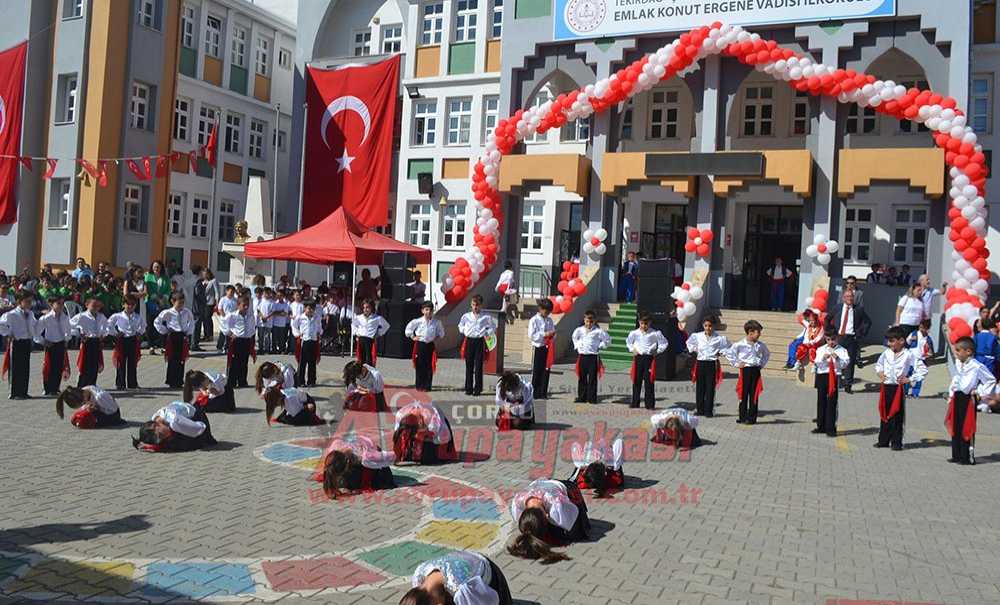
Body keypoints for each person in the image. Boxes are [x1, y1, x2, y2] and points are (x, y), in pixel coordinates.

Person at [506, 478, 590, 562]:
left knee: (572, 534)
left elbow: (573, 513)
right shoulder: (518, 503)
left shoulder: (555, 503)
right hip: (543, 484)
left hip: (565, 486)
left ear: (546, 516)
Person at [874, 326, 928, 450]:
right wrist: (880, 373)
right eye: (888, 341)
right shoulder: (886, 353)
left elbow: (922, 369)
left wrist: (910, 379)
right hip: (886, 386)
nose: (889, 344)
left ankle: (896, 442)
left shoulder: (908, 354)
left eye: (892, 341)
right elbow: (879, 365)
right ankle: (883, 440)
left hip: (898, 388)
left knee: (897, 415)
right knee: (884, 413)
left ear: (902, 341)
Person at [400, 551, 512, 605]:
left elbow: (491, 601)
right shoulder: (419, 575)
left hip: (489, 579)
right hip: (466, 558)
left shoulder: (463, 590)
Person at [948, 337, 995, 464]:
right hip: (957, 397)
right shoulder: (959, 364)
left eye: (958, 350)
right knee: (956, 425)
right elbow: (956, 379)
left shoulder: (977, 366)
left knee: (967, 426)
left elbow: (990, 380)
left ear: (968, 351)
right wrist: (951, 393)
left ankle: (967, 456)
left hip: (968, 398)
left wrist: (980, 393)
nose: (956, 353)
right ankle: (956, 455)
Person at [313, 434, 395, 499]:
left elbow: (390, 457)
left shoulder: (365, 457)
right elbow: (330, 468)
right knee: (346, 483)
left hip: (375, 458)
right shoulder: (334, 449)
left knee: (353, 483)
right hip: (357, 457)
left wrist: (364, 486)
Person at [726, 320, 770, 425]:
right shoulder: (740, 344)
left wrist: (761, 364)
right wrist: (737, 364)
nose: (759, 334)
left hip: (755, 370)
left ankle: (752, 418)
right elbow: (729, 353)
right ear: (750, 332)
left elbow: (767, 354)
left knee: (754, 394)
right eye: (757, 332)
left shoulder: (760, 345)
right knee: (743, 393)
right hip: (745, 370)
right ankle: (742, 416)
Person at [827, 289, 871, 393]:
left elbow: (868, 322)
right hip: (839, 337)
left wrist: (860, 334)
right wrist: (831, 332)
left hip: (851, 339)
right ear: (843, 298)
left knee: (850, 362)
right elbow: (827, 319)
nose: (850, 299)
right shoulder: (838, 308)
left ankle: (848, 385)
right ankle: (835, 382)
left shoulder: (858, 309)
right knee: (835, 359)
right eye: (847, 297)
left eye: (851, 296)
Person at [686, 316, 730, 418]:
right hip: (700, 363)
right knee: (700, 387)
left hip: (711, 363)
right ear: (703, 326)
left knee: (710, 387)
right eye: (706, 326)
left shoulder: (719, 338)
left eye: (710, 326)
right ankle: (700, 409)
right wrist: (694, 349)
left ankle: (708, 410)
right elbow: (689, 343)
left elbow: (728, 348)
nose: (708, 328)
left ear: (714, 326)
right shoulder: (697, 336)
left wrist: (721, 352)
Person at [133, 401, 218, 452]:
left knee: (180, 445)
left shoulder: (175, 422)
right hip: (183, 415)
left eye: (161, 435)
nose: (163, 437)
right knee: (168, 443)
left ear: (155, 425)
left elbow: (201, 428)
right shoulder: (155, 418)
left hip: (199, 419)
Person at [393, 400, 457, 464]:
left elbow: (442, 439)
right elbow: (397, 438)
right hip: (417, 426)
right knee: (406, 439)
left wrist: (425, 436)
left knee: (428, 457)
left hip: (435, 431)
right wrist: (397, 456)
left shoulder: (433, 419)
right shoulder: (400, 415)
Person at [813, 329, 851, 438]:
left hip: (834, 376)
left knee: (832, 401)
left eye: (833, 339)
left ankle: (831, 428)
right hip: (822, 375)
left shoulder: (842, 350)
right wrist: (823, 359)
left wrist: (837, 358)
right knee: (821, 401)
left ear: (837, 338)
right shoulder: (821, 349)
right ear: (825, 339)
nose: (831, 342)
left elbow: (845, 364)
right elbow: (817, 363)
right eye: (828, 340)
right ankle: (821, 426)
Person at [626, 313, 668, 409]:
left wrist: (657, 351)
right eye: (642, 323)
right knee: (637, 381)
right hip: (638, 358)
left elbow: (664, 343)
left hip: (649, 359)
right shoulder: (634, 333)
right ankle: (635, 403)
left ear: (650, 323)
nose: (644, 326)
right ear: (639, 322)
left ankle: (649, 404)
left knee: (649, 382)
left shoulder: (655, 333)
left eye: (646, 324)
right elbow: (628, 342)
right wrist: (633, 349)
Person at [154, 293, 196, 388]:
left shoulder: (186, 312)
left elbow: (192, 322)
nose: (181, 305)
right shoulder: (168, 312)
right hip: (172, 336)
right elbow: (157, 322)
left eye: (182, 303)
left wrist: (188, 332)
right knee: (172, 359)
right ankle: (171, 381)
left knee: (181, 359)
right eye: (179, 303)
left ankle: (179, 380)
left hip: (182, 336)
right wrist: (165, 330)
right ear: (173, 302)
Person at [0, 291, 37, 399]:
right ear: (19, 302)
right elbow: (1, 325)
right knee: (16, 367)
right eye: (27, 301)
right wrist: (8, 334)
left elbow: (34, 325)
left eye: (31, 301)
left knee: (25, 367)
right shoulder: (11, 314)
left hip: (26, 341)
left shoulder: (30, 313)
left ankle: (23, 391)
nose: (30, 304)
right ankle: (14, 392)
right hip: (17, 342)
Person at [458, 295, 496, 397]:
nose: (475, 307)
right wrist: (464, 331)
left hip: (479, 341)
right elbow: (460, 326)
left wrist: (487, 332)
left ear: (481, 305)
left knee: (478, 366)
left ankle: (478, 389)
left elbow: (493, 327)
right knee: (469, 365)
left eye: (477, 305)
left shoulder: (486, 317)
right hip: (469, 341)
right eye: (473, 305)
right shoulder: (466, 316)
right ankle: (468, 388)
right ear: (471, 305)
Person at [571, 310, 611, 404]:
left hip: (593, 357)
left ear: (595, 321)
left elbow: (608, 340)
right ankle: (582, 397)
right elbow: (574, 337)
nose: (589, 323)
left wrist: (600, 346)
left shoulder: (598, 331)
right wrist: (578, 346)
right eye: (587, 321)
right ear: (584, 320)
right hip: (583, 356)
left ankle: (592, 398)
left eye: (591, 321)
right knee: (582, 377)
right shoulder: (579, 330)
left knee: (592, 378)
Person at [34, 296, 72, 396]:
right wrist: (43, 341)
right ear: (52, 305)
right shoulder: (46, 318)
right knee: (49, 367)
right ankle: (47, 388)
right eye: (58, 303)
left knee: (59, 366)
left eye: (62, 304)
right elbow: (36, 332)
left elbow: (68, 330)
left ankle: (55, 387)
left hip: (60, 343)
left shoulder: (64, 317)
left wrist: (67, 339)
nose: (61, 306)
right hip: (50, 344)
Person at [405, 301, 445, 391]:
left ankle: (427, 386)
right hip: (420, 344)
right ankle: (419, 385)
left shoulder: (437, 322)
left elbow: (441, 333)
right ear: (422, 311)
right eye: (426, 310)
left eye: (430, 310)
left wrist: (436, 338)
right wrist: (413, 337)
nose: (428, 312)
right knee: (420, 365)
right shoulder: (418, 321)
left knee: (429, 365)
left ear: (433, 311)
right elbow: (408, 329)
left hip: (430, 345)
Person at [70, 297, 108, 388]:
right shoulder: (82, 316)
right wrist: (79, 334)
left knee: (94, 364)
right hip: (87, 341)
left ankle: (92, 384)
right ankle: (81, 384)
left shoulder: (101, 316)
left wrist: (103, 334)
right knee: (84, 364)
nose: (96, 308)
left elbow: (107, 326)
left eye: (98, 306)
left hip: (96, 341)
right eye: (93, 305)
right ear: (87, 305)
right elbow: (70, 325)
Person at [220, 295, 256, 388]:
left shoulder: (250, 316)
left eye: (247, 305)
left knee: (244, 362)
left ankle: (242, 381)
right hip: (236, 341)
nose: (246, 307)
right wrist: (230, 333)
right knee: (234, 362)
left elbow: (252, 328)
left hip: (246, 340)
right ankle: (231, 381)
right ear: (238, 305)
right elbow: (223, 325)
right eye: (244, 305)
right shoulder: (232, 315)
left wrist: (250, 337)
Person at [109, 295, 144, 390]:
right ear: (123, 304)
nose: (130, 306)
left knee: (132, 363)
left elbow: (143, 325)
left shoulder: (137, 317)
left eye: (132, 304)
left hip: (133, 339)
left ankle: (132, 383)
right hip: (122, 340)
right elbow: (109, 325)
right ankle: (120, 384)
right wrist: (115, 333)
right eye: (128, 304)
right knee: (121, 362)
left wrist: (139, 333)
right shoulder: (117, 316)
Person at [56, 385, 124, 428]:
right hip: (97, 411)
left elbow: (113, 410)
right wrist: (87, 408)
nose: (84, 403)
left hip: (112, 415)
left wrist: (97, 408)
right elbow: (83, 408)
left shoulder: (100, 397)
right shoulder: (84, 391)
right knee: (74, 418)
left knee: (84, 420)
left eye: (83, 402)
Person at [528, 298, 556, 400]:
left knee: (546, 370)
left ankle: (543, 392)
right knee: (537, 370)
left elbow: (553, 331)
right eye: (546, 311)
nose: (547, 313)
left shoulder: (549, 320)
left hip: (547, 347)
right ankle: (535, 393)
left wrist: (552, 334)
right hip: (538, 347)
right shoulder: (534, 320)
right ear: (540, 308)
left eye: (549, 312)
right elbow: (532, 335)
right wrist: (545, 334)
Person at [292, 301, 323, 387]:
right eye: (309, 308)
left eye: (312, 309)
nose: (310, 310)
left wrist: (319, 332)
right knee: (302, 362)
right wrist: (298, 334)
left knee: (312, 362)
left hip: (313, 340)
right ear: (305, 308)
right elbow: (294, 326)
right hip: (304, 341)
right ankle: (301, 381)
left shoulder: (317, 317)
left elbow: (320, 327)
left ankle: (311, 381)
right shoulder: (300, 317)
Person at [144, 261, 172, 355]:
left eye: (158, 266)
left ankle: (162, 346)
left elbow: (168, 289)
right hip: (151, 303)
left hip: (163, 304)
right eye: (154, 266)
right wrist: (155, 298)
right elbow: (147, 289)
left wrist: (163, 298)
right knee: (150, 324)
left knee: (163, 325)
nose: (156, 268)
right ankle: (151, 345)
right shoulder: (148, 276)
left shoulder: (166, 278)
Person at [352, 298, 390, 366]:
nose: (365, 309)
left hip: (370, 340)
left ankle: (370, 373)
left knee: (369, 359)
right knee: (360, 358)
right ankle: (361, 373)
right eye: (364, 307)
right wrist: (356, 333)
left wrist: (378, 333)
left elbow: (386, 326)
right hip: (361, 339)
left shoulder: (377, 318)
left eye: (367, 307)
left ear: (371, 308)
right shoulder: (359, 317)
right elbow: (353, 324)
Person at [906, 319, 934, 397]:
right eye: (920, 327)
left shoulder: (928, 339)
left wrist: (929, 353)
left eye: (923, 328)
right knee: (908, 374)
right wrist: (911, 339)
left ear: (927, 329)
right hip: (911, 357)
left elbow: (931, 353)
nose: (921, 329)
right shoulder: (914, 333)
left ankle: (915, 393)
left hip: (921, 359)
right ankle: (905, 392)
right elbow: (907, 342)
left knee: (919, 376)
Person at [215, 285, 238, 352]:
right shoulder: (223, 299)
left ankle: (227, 348)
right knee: (222, 334)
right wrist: (225, 316)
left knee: (229, 335)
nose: (232, 293)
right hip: (224, 320)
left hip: (232, 320)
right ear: (226, 291)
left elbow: (237, 310)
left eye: (233, 292)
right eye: (231, 292)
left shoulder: (235, 300)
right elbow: (220, 309)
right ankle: (219, 347)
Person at [496, 260, 517, 324]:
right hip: (507, 289)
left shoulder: (503, 273)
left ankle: (508, 317)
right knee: (509, 303)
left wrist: (497, 287)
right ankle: (505, 316)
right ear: (510, 266)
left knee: (505, 302)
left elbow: (500, 281)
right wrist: (508, 288)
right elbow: (510, 280)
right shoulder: (511, 272)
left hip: (501, 288)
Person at [270, 289, 291, 354]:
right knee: (274, 338)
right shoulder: (274, 303)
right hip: (275, 323)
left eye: (281, 295)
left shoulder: (286, 305)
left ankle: (281, 350)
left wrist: (278, 312)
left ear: (283, 296)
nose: (279, 296)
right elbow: (273, 313)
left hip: (282, 324)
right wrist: (280, 311)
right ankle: (274, 349)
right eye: (278, 295)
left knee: (282, 338)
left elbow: (285, 314)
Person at [256, 288, 275, 354]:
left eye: (268, 293)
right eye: (265, 293)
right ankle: (260, 349)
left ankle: (267, 349)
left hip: (268, 322)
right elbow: (258, 310)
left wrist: (266, 317)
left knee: (267, 336)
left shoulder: (272, 302)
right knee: (260, 336)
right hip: (260, 322)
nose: (267, 294)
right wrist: (262, 316)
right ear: (263, 293)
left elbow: (273, 312)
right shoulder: (261, 300)